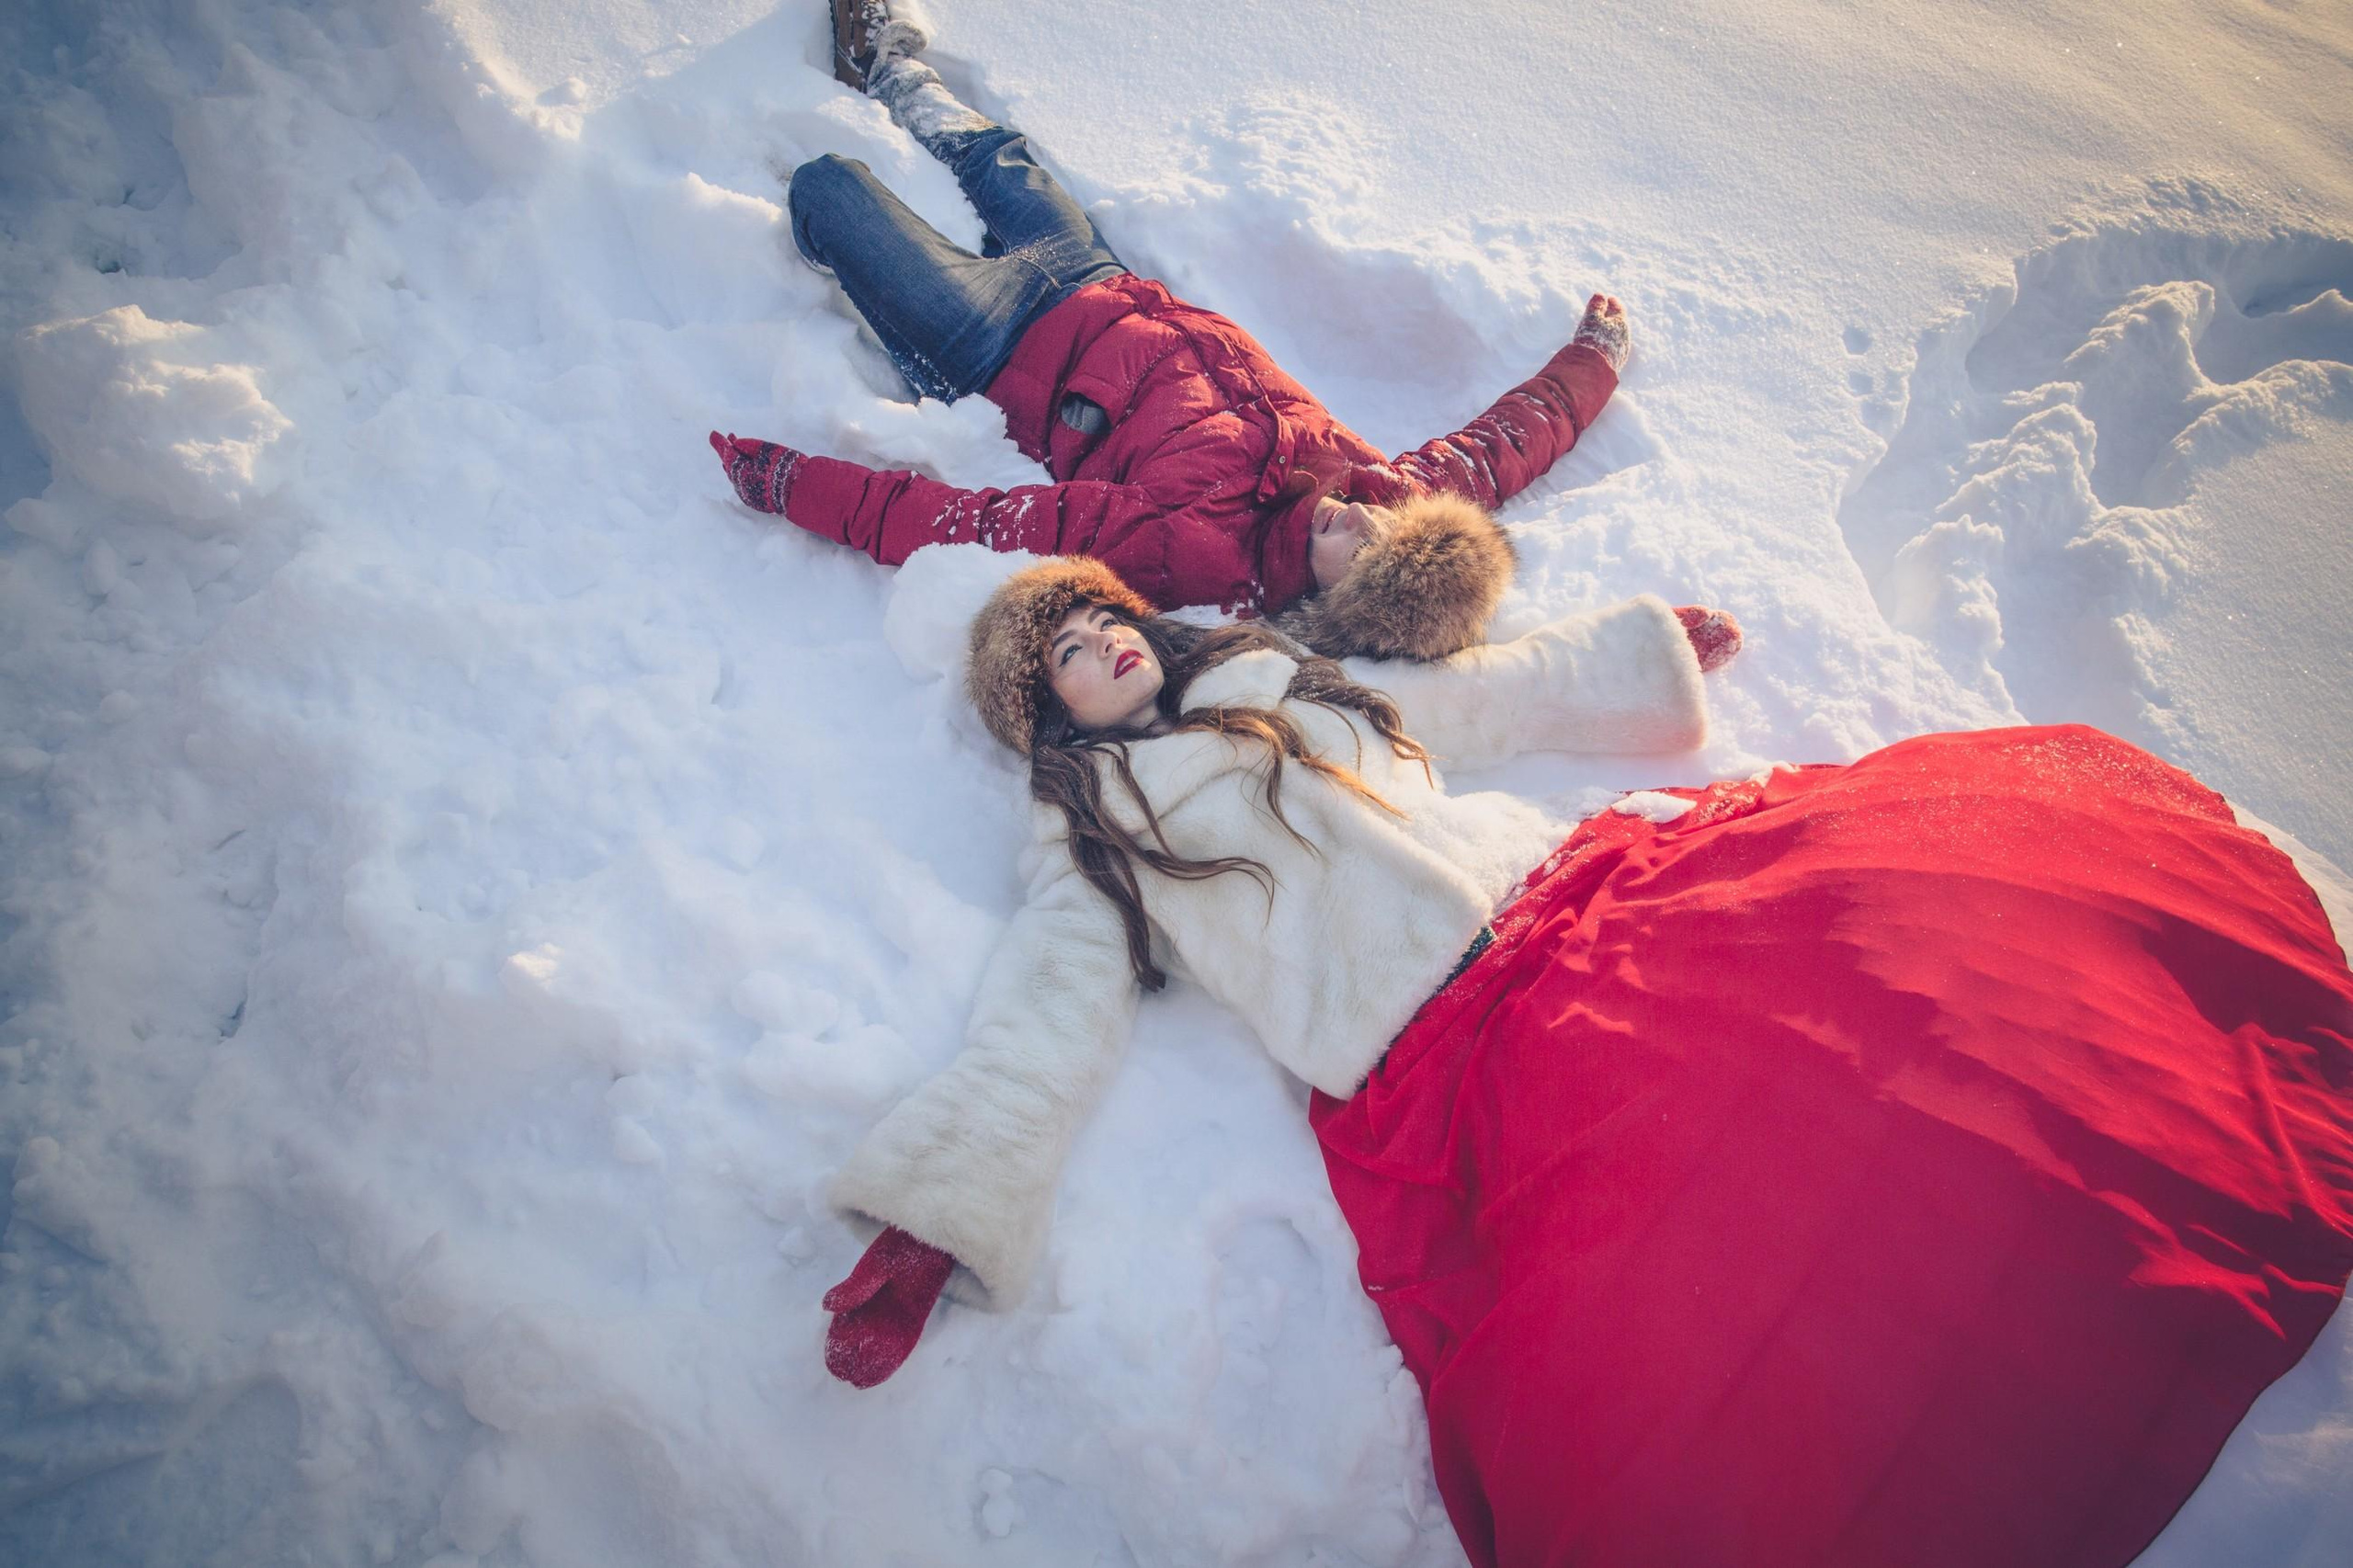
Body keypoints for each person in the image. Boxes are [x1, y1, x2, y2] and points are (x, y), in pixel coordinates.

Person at [818, 553, 2353, 1568]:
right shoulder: (1100, 839)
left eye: (1101, 623)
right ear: (1047, 719)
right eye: (1066, 659)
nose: (1099, 648)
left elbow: (1477, 705)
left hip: (1577, 912)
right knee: (1674, 1291)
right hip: (1442, 1058)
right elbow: (1045, 1015)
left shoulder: (1273, 683)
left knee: (1894, 985)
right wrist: (934, 1218)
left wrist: (1639, 661)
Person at [708, 5, 1691, 665]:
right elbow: (1507, 441)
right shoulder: (1381, 493)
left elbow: (968, 522)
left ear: (1335, 605)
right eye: (1387, 524)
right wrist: (1591, 362)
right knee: (999, 157)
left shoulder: (1192, 554)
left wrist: (794, 483)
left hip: (990, 344)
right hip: (1102, 280)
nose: (1363, 516)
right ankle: (887, 65)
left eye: (1363, 547)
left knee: (828, 189)